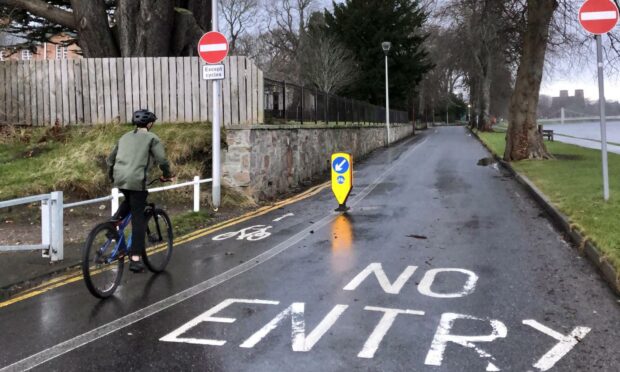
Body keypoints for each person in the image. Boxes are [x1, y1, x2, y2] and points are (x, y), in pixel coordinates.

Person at [106, 110, 173, 273]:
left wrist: (111, 176)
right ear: (150, 124)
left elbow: (110, 160)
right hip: (136, 180)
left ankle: (111, 225)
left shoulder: (124, 137)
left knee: (130, 201)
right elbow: (162, 160)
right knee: (138, 219)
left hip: (120, 178)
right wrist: (166, 174)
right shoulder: (152, 138)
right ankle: (135, 258)